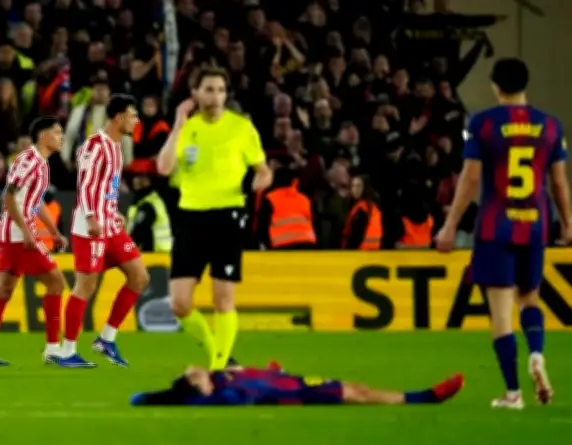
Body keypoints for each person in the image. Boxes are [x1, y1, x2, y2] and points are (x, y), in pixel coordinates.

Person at [436, 58, 572, 410]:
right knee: (530, 299)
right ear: (525, 84)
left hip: (496, 227)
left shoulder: (483, 123)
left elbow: (470, 177)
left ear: (496, 86)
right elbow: (559, 182)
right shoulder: (550, 125)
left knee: (500, 314)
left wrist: (450, 225)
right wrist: (569, 222)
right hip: (535, 225)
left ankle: (513, 393)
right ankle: (537, 354)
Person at [157, 67, 273, 370]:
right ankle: (217, 354)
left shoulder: (241, 128)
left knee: (223, 298)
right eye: (208, 89)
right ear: (195, 93)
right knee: (180, 304)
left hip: (227, 216)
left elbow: (264, 172)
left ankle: (219, 367)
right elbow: (164, 168)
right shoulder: (187, 128)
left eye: (220, 90)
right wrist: (178, 124)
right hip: (190, 218)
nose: (215, 96)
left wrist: (255, 184)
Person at [0, 117, 69, 367]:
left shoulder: (42, 163)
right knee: (56, 283)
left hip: (14, 233)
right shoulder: (28, 160)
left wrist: (54, 231)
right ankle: (52, 349)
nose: (62, 137)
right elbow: (8, 197)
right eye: (57, 132)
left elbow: (36, 202)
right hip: (17, 235)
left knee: (3, 290)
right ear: (44, 136)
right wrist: (27, 231)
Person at [61, 94, 150, 368]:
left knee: (139, 277)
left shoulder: (116, 146)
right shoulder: (95, 145)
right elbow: (86, 184)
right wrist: (91, 216)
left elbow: (105, 186)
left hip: (109, 224)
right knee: (86, 286)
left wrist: (113, 210)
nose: (136, 121)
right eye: (133, 116)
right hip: (91, 227)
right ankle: (66, 351)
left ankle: (106, 339)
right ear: (119, 117)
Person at [130, 363, 464, 406]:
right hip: (295, 390)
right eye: (195, 374)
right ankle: (425, 397)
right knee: (357, 393)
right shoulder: (221, 392)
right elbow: (251, 396)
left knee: (356, 386)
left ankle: (423, 396)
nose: (198, 368)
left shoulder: (222, 375)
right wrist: (145, 398)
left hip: (288, 380)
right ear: (196, 385)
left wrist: (271, 370)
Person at [342, 175, 383, 250]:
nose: (355, 189)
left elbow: (356, 235)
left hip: (359, 251)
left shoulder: (362, 209)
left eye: (358, 186)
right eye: (353, 186)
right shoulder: (373, 207)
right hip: (373, 250)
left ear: (365, 188)